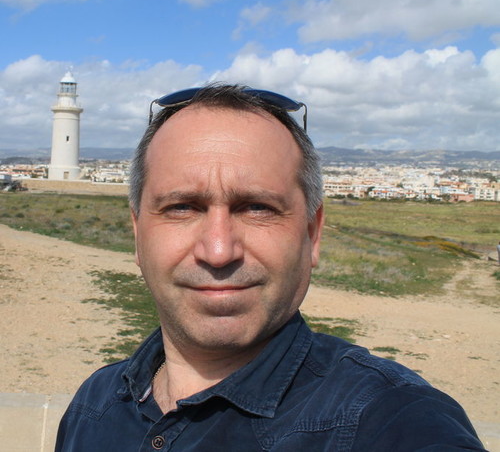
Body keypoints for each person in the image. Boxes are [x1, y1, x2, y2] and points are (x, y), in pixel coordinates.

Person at [56, 84, 485, 451]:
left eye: (257, 208)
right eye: (182, 207)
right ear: (137, 235)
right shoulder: (95, 404)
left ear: (312, 234)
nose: (218, 250)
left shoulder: (389, 419)